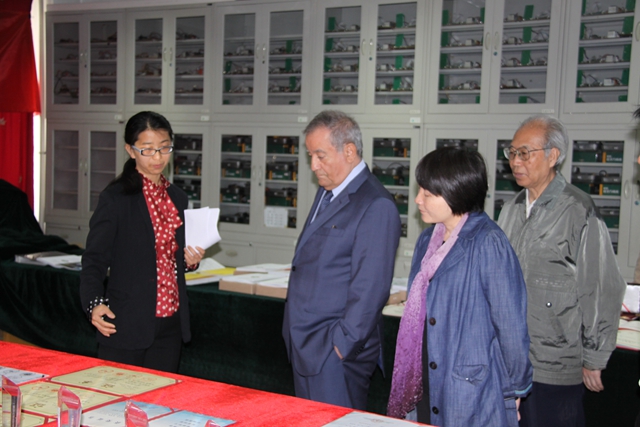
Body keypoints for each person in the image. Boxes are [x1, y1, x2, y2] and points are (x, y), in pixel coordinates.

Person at [387, 147, 532, 426]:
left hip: (470, 387)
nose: (418, 199)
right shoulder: (427, 240)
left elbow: (511, 325)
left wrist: (515, 388)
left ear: (456, 192)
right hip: (425, 377)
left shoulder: (488, 242)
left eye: (428, 193)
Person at [497, 115, 626, 427]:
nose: (515, 161)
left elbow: (600, 288)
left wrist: (594, 357)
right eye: (512, 152)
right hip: (511, 359)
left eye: (524, 153)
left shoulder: (578, 209)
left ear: (552, 156)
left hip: (554, 364)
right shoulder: (510, 209)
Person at [282, 110, 401, 409]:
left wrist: (340, 346)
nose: (313, 165)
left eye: (320, 156)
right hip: (307, 344)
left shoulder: (375, 204)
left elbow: (371, 289)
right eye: (310, 156)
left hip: (333, 352)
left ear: (348, 151)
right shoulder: (329, 191)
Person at [79, 111, 204, 373]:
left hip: (170, 323)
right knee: (119, 396)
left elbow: (169, 258)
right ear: (131, 150)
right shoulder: (116, 198)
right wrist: (93, 303)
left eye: (164, 148)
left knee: (161, 396)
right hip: (127, 322)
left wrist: (189, 261)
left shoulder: (178, 198)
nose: (158, 158)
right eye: (147, 150)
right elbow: (94, 259)